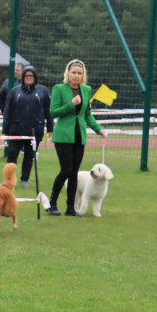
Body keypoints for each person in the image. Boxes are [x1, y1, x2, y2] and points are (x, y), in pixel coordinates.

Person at [47, 59, 108, 216]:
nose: (76, 76)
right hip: (63, 136)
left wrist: (98, 129)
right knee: (66, 170)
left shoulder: (86, 90)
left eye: (79, 73)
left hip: (79, 136)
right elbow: (53, 112)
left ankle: (70, 208)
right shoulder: (59, 88)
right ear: (68, 73)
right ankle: (52, 203)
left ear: (83, 75)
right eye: (73, 72)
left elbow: (87, 114)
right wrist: (71, 104)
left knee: (74, 172)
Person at [1, 65, 53, 188]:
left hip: (35, 130)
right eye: (26, 76)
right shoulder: (15, 91)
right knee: (12, 155)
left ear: (35, 77)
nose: (29, 78)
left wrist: (50, 128)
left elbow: (47, 111)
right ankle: (8, 180)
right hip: (16, 129)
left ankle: (25, 179)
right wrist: (6, 128)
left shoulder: (43, 91)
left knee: (29, 156)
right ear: (23, 76)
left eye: (31, 76)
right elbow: (8, 110)